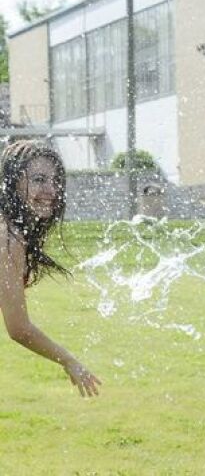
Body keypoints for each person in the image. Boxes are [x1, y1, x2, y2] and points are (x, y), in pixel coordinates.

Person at [0, 141, 101, 397]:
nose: (51, 190)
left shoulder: (11, 232)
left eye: (55, 181)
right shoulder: (7, 238)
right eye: (38, 179)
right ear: (13, 183)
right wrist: (69, 360)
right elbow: (19, 329)